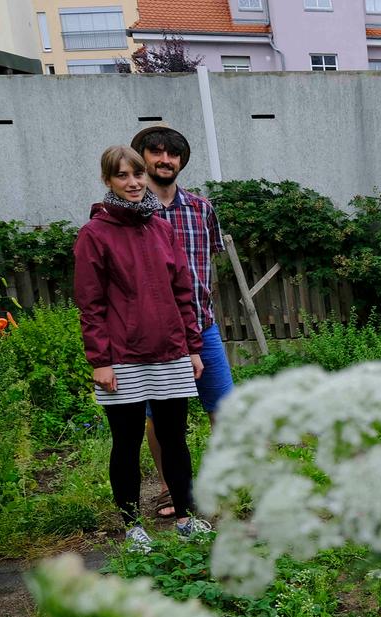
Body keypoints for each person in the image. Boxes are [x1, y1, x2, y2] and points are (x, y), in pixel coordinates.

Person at [74, 146, 210, 551]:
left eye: (137, 175)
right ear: (108, 181)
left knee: (175, 439)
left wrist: (192, 347)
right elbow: (90, 303)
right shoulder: (94, 234)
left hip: (170, 352)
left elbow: (183, 292)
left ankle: (185, 517)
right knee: (127, 441)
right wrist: (100, 361)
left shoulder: (162, 229)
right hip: (122, 359)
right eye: (122, 176)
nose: (133, 183)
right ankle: (133, 525)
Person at [130, 124, 234, 520]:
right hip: (158, 336)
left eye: (172, 154)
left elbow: (209, 260)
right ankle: (175, 490)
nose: (164, 160)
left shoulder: (201, 208)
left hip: (202, 326)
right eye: (155, 153)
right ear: (142, 159)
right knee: (161, 418)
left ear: (181, 161)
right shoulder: (132, 214)